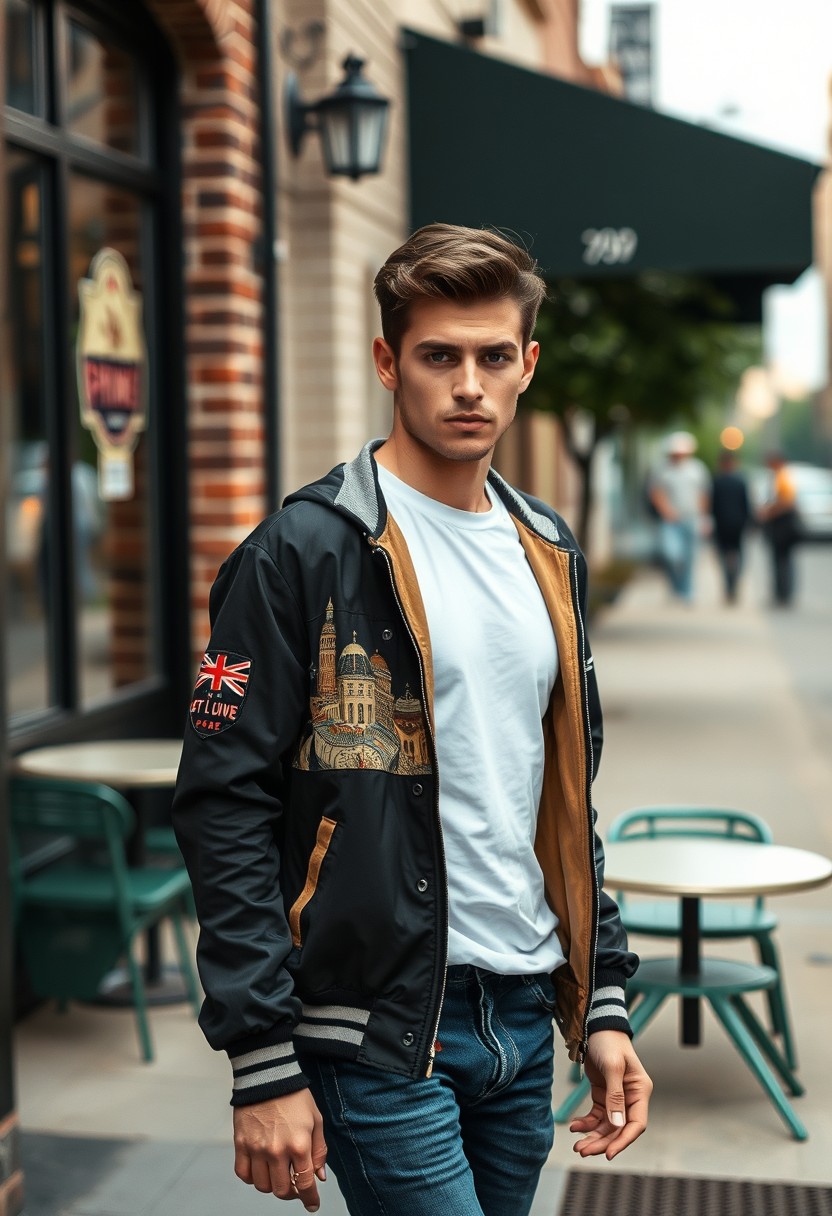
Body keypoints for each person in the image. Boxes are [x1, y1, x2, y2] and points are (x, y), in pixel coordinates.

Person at [172, 223, 652, 1216]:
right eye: (439, 356)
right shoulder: (302, 551)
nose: (467, 383)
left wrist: (599, 996)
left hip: (521, 1019)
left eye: (490, 356)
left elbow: (558, 793)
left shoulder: (545, 548)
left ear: (527, 364)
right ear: (389, 363)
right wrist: (262, 1058)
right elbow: (223, 803)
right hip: (378, 1026)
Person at [648, 431, 711, 602]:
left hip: (691, 518)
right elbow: (655, 492)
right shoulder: (661, 469)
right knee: (671, 554)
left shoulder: (697, 469)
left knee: (690, 557)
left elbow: (703, 495)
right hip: (670, 520)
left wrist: (704, 518)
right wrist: (667, 511)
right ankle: (676, 585)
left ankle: (686, 591)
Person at [757, 452, 800, 606]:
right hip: (781, 525)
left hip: (782, 525)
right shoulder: (781, 476)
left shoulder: (783, 478)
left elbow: (787, 503)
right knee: (782, 560)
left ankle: (783, 594)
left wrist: (768, 512)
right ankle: (781, 593)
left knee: (782, 560)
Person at [710, 450, 751, 604]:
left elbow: (711, 505)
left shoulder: (716, 481)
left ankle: (729, 584)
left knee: (722, 556)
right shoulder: (740, 481)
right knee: (738, 555)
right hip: (738, 524)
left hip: (721, 525)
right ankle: (734, 582)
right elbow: (746, 505)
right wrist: (750, 523)